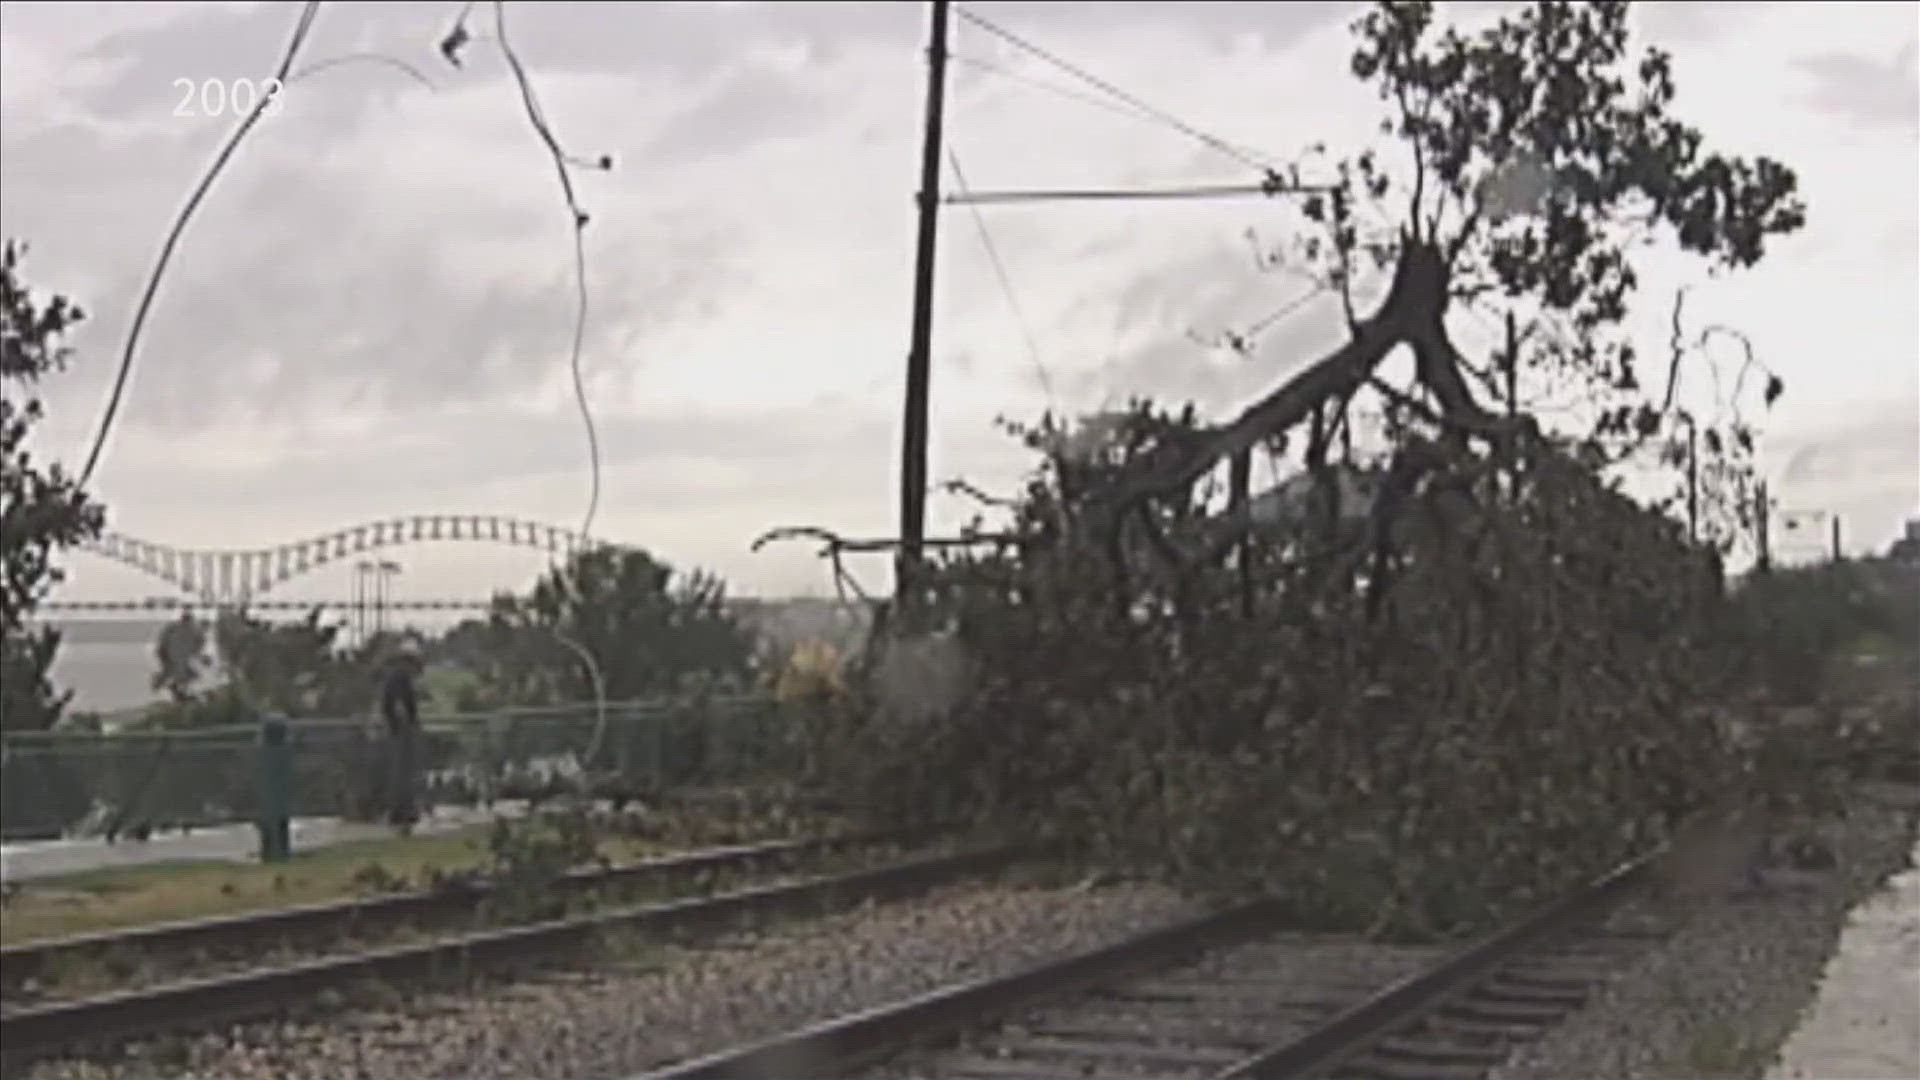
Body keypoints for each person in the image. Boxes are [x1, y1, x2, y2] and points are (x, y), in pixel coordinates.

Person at [378, 640, 425, 832]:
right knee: (402, 772)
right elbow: (398, 705)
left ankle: (402, 809)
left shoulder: (396, 677)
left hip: (398, 729)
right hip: (401, 731)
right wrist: (406, 725)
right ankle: (402, 811)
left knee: (401, 772)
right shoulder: (400, 678)